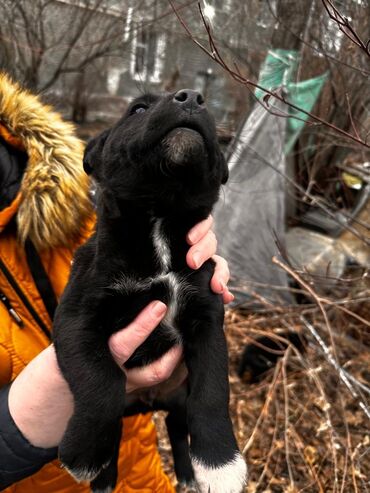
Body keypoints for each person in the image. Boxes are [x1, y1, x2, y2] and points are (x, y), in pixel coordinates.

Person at [0, 72, 232, 492]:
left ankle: (190, 468)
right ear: (99, 155)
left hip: (142, 472)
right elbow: (79, 327)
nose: (190, 98)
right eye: (139, 109)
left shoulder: (72, 210)